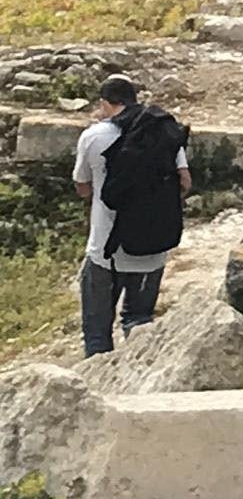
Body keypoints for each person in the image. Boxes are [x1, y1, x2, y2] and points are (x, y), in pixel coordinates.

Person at [74, 75, 190, 357]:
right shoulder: (163, 131)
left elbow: (82, 187)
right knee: (139, 322)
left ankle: (99, 381)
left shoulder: (93, 136)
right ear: (134, 100)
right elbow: (185, 182)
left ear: (105, 104)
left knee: (97, 333)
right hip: (153, 249)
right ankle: (140, 378)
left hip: (106, 251)